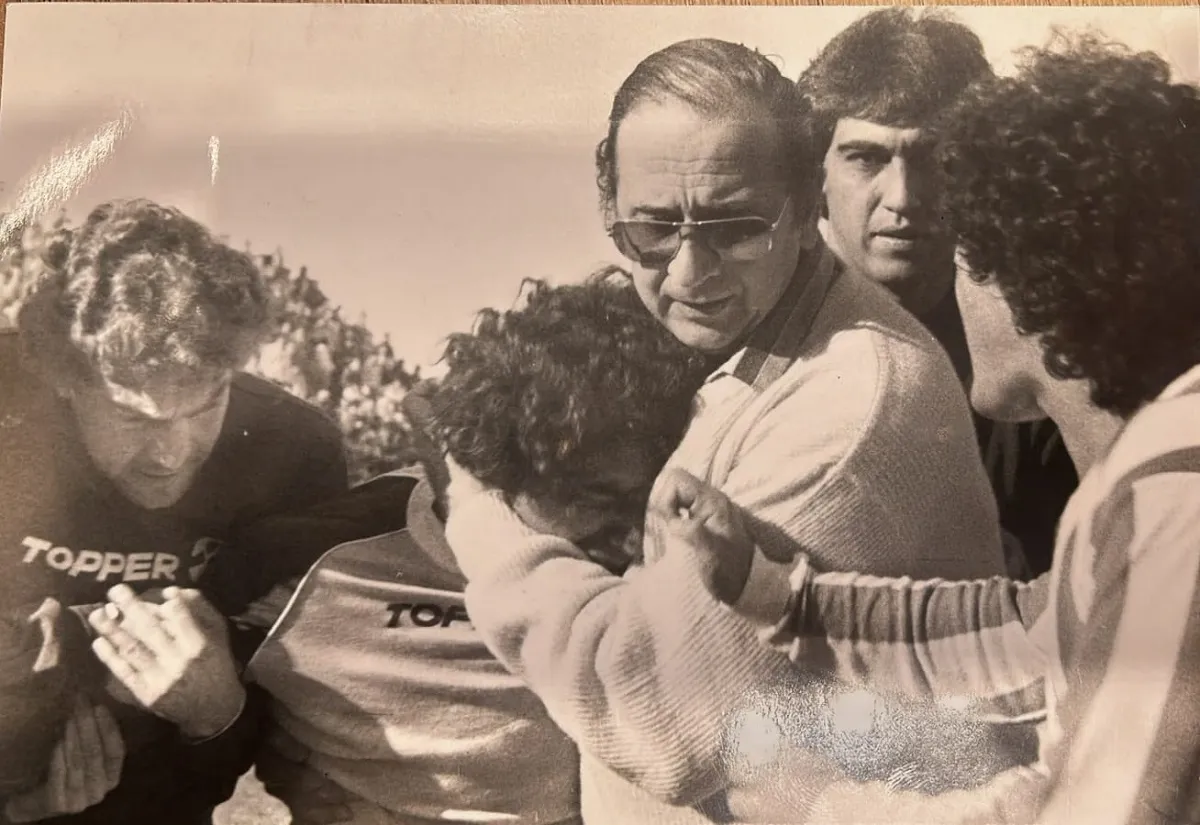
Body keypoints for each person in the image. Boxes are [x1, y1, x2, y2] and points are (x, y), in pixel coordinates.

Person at [442, 38, 1011, 824]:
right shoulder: (743, 337)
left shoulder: (850, 404)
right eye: (651, 233)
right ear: (608, 209)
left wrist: (479, 516)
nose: (688, 275)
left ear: (808, 205)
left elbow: (661, 718)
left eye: (736, 227)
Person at [660, 35, 1200, 825]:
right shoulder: (1157, 470)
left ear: (1030, 273)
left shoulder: (1171, 509)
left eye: (969, 253)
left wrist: (822, 806)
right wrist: (767, 588)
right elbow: (1013, 636)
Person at [189, 271, 717, 825]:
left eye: (648, 496)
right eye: (597, 498)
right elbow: (180, 711)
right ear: (494, 470)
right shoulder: (307, 561)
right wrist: (254, 744)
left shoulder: (672, 560)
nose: (635, 532)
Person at [0, 198, 349, 824]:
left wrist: (217, 716)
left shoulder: (292, 450)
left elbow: (294, 721)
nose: (169, 455)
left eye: (204, 408)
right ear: (63, 380)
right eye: (133, 416)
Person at [799, 7, 1078, 578]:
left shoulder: (1033, 359)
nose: (903, 196)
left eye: (933, 158)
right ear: (815, 180)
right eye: (866, 158)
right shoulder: (761, 342)